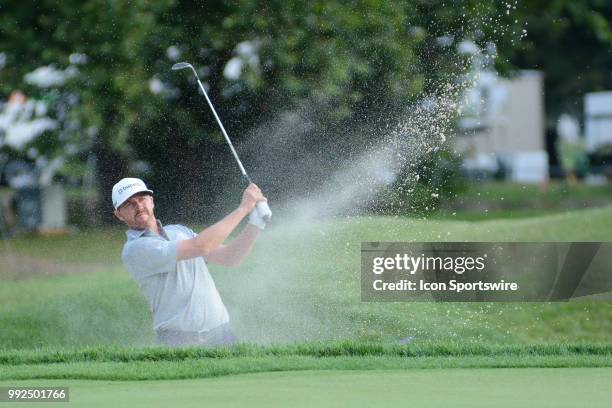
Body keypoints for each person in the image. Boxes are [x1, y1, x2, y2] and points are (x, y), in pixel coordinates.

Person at [112, 177, 268, 347]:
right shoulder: (135, 249)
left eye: (141, 199)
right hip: (179, 341)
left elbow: (230, 257)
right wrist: (244, 208)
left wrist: (256, 222)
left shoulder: (180, 231)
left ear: (151, 201)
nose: (139, 206)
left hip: (223, 334)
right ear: (119, 214)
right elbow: (201, 246)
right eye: (129, 204)